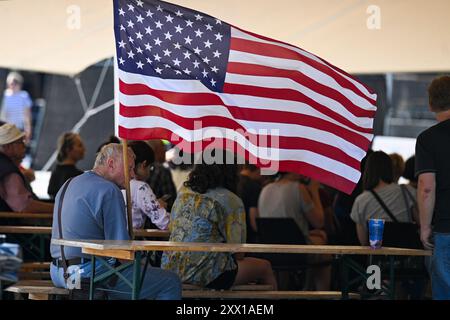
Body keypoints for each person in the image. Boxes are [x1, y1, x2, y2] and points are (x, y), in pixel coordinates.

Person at [50, 143, 181, 300]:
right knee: (170, 281)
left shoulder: (69, 183)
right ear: (111, 163)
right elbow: (121, 248)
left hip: (58, 273)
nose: (132, 175)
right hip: (85, 275)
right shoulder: (109, 190)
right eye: (130, 168)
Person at [161, 150, 277, 290]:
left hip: (170, 269)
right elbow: (238, 252)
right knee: (265, 268)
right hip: (206, 274)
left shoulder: (183, 194)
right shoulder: (231, 200)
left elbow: (171, 228)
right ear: (231, 171)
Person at [258, 172, 330, 290]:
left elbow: (277, 226)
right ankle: (320, 294)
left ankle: (287, 289)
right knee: (324, 250)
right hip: (297, 251)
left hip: (272, 251)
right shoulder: (298, 188)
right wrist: (314, 190)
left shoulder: (265, 190)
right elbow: (319, 222)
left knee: (317, 237)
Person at [415, 75, 450, 300]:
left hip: (446, 229)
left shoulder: (427, 140)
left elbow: (427, 187)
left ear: (430, 105)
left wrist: (425, 227)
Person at [350, 151, 418, 245]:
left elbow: (364, 242)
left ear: (368, 171)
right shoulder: (407, 191)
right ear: (390, 169)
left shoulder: (361, 200)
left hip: (377, 257)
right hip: (406, 254)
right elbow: (420, 223)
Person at [0, 123, 53, 213]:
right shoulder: (8, 171)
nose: (24, 146)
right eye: (21, 142)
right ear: (8, 147)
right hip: (8, 225)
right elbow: (24, 207)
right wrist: (57, 209)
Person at [127, 141, 169, 230]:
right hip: (131, 241)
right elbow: (164, 222)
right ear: (143, 165)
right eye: (150, 167)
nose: (150, 172)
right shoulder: (140, 187)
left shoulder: (116, 183)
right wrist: (158, 207)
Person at [47, 132, 85, 199]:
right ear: (68, 150)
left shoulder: (56, 171)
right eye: (80, 145)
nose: (84, 149)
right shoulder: (77, 175)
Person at [1, 72, 32, 142]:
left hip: (18, 129)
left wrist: (28, 129)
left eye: (15, 83)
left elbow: (27, 115)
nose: (13, 85)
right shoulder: (5, 95)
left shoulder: (24, 96)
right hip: (5, 129)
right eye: (11, 83)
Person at [146, 140, 177, 211]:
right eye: (163, 148)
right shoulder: (162, 171)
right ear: (156, 151)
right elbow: (171, 200)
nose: (165, 150)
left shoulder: (141, 168)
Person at [236, 164, 262, 243]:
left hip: (234, 231)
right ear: (258, 169)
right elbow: (253, 215)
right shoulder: (254, 187)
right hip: (248, 234)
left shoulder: (233, 182)